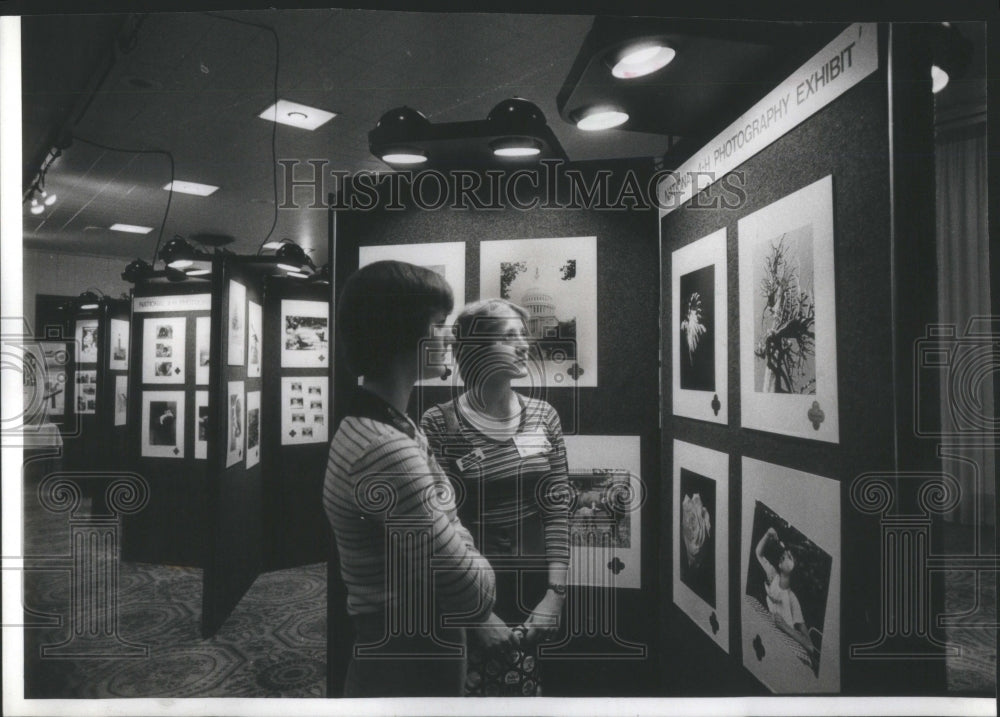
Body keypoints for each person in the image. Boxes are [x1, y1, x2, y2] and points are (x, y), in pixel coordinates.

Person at [324, 261, 497, 697]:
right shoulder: (387, 448)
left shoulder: (381, 427)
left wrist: (450, 522)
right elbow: (473, 594)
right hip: (408, 665)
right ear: (403, 334)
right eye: (439, 324)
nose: (449, 336)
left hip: (400, 655)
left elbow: (445, 526)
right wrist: (459, 532)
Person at [420, 298, 570, 696]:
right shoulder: (439, 424)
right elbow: (434, 533)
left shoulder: (544, 416)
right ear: (476, 348)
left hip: (534, 589)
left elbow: (556, 510)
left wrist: (555, 595)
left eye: (524, 335)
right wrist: (476, 616)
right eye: (509, 337)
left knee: (524, 694)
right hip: (467, 593)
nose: (524, 346)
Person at [754, 526, 820, 667]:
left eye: (789, 557)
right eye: (785, 554)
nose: (784, 555)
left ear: (795, 569)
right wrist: (767, 534)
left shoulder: (792, 599)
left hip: (787, 648)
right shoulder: (772, 576)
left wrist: (784, 626)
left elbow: (810, 646)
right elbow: (758, 554)